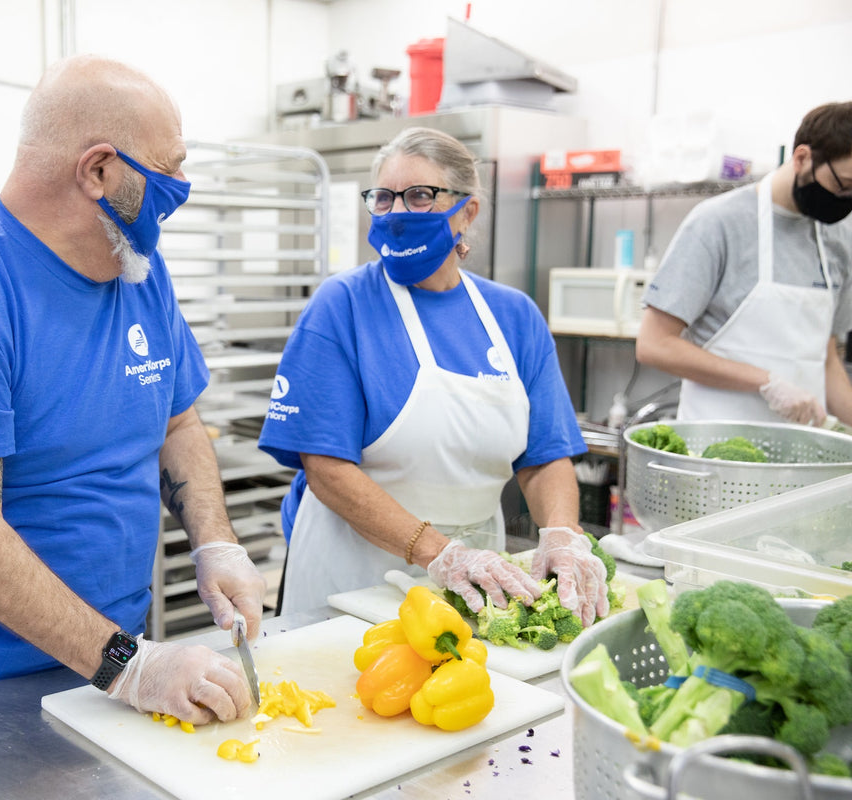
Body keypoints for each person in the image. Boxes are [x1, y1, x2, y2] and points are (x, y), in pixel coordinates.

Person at [0, 54, 265, 725]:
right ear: (99, 170)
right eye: (168, 168)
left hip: (109, 657)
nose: (180, 187)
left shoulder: (139, 271)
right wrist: (131, 667)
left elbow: (178, 423)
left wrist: (214, 542)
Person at [257, 126, 609, 626]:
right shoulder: (343, 306)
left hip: (478, 574)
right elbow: (327, 469)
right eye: (384, 198)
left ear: (468, 211)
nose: (398, 213)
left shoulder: (514, 316)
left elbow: (545, 456)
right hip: (352, 574)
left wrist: (561, 533)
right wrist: (441, 554)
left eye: (420, 196)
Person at [636, 101, 852, 425]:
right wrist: (765, 381)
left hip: (800, 450)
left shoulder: (839, 238)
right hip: (715, 444)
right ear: (802, 158)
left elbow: (829, 360)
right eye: (843, 185)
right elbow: (655, 345)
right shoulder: (718, 223)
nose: (846, 200)